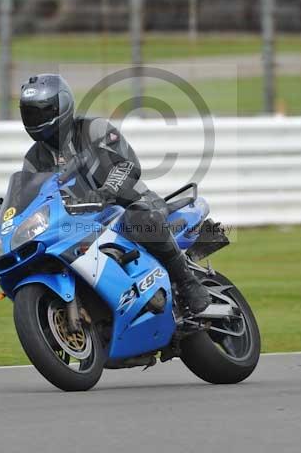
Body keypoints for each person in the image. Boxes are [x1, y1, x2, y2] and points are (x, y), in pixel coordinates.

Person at [18, 73, 210, 314]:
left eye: (42, 112)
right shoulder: (33, 159)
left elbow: (127, 164)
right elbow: (30, 194)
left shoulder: (92, 128)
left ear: (61, 106)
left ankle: (187, 282)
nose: (35, 119)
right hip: (84, 222)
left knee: (140, 219)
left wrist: (107, 190)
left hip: (132, 203)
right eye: (29, 113)